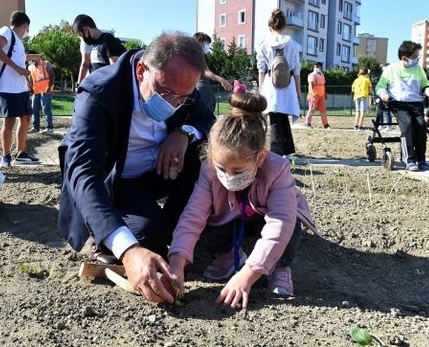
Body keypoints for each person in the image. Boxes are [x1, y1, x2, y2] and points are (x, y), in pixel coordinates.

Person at [58, 33, 215, 305]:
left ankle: (177, 230)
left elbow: (207, 121)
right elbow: (84, 173)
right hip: (115, 182)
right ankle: (103, 234)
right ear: (142, 70)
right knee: (148, 238)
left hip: (155, 174)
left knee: (201, 152)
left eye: (183, 97)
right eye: (165, 93)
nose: (174, 104)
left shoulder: (179, 84)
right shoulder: (99, 92)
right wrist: (129, 252)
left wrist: (183, 132)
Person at [168, 92, 322, 309]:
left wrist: (248, 275)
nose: (228, 176)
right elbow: (193, 215)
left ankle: (279, 268)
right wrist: (176, 264)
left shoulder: (277, 170)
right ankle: (231, 255)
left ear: (260, 158)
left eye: (238, 170)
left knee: (290, 228)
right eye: (222, 168)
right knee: (204, 230)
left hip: (264, 219)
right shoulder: (209, 170)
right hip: (230, 218)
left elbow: (280, 224)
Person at [0, 11, 41, 167]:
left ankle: (21, 153)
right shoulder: (6, 31)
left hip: (21, 88)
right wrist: (19, 69)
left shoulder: (18, 41)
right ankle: (6, 156)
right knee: (9, 121)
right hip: (8, 87)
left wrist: (32, 57)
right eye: (27, 28)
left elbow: (15, 57)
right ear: (25, 25)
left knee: (26, 118)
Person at [375, 41, 429, 172]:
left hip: (416, 102)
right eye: (415, 57)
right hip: (398, 103)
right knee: (407, 125)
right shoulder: (391, 69)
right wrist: (384, 94)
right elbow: (380, 86)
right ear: (404, 58)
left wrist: (428, 90)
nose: (417, 59)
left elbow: (425, 84)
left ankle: (421, 159)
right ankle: (409, 159)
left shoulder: (418, 69)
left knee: (421, 126)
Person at [256, 9, 302, 160]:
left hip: (270, 85)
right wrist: (298, 91)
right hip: (288, 85)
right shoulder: (293, 45)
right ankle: (288, 151)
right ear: (285, 26)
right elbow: (296, 70)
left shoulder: (263, 44)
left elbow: (261, 69)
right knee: (283, 117)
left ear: (270, 27)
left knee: (274, 118)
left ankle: (276, 153)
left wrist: (261, 90)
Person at [74, 14, 127, 84]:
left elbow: (115, 70)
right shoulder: (94, 43)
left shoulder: (108, 39)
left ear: (85, 29)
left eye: (81, 35)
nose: (83, 39)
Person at [194, 32, 235, 112]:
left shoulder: (198, 55)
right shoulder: (196, 55)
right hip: (200, 88)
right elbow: (205, 72)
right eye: (207, 43)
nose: (208, 46)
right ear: (199, 42)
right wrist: (221, 79)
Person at [28, 53, 55, 133]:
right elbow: (30, 78)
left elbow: (52, 75)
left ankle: (49, 128)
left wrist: (49, 87)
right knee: (34, 109)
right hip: (36, 91)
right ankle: (35, 127)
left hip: (46, 90)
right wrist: (31, 88)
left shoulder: (46, 64)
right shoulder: (30, 67)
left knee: (46, 109)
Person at [305, 62, 330, 129]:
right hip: (314, 95)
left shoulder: (322, 75)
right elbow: (310, 85)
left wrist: (325, 94)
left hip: (321, 95)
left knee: (323, 110)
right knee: (312, 109)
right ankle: (308, 123)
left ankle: (325, 124)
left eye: (318, 66)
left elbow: (323, 85)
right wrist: (312, 93)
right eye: (316, 66)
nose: (316, 68)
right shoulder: (312, 75)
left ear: (320, 67)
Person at [373, 63, 394, 130]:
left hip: (388, 96)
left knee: (387, 111)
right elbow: (379, 87)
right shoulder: (382, 76)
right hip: (382, 96)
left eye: (384, 69)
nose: (383, 70)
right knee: (380, 110)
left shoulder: (391, 76)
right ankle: (380, 125)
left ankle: (389, 126)